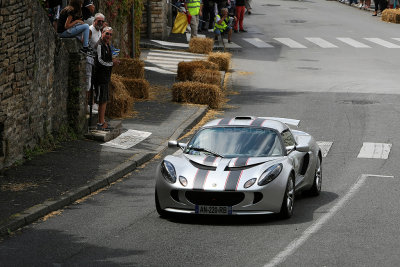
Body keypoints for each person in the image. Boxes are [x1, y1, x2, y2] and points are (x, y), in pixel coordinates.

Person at [93, 27, 118, 131]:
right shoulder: (99, 45)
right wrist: (112, 63)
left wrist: (113, 61)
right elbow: (99, 61)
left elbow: (106, 59)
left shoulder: (107, 45)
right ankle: (100, 123)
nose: (108, 36)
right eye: (107, 34)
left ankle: (102, 121)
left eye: (110, 34)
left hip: (105, 76)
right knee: (101, 100)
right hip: (99, 77)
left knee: (105, 100)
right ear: (102, 33)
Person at [86, 13, 105, 114]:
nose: (100, 23)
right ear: (94, 21)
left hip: (95, 61)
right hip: (89, 60)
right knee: (89, 82)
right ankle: (87, 104)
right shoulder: (90, 30)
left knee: (94, 82)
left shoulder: (99, 31)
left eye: (102, 21)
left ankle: (92, 103)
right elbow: (87, 45)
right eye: (99, 21)